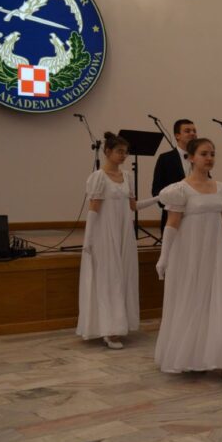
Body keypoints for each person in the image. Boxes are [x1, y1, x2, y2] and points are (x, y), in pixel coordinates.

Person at [154, 138, 222, 380]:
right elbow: (172, 224)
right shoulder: (179, 190)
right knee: (193, 299)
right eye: (204, 153)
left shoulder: (221, 187)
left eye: (212, 153)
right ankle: (193, 355)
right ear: (191, 157)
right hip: (190, 252)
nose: (209, 158)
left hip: (217, 250)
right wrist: (164, 257)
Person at [77, 132, 138, 349]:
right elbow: (93, 209)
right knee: (108, 278)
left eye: (125, 152)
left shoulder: (127, 177)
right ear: (107, 152)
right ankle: (109, 330)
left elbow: (133, 207)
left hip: (123, 234)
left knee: (122, 276)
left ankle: (120, 324)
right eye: (119, 151)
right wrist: (89, 239)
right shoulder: (98, 177)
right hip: (105, 234)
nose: (123, 156)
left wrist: (163, 197)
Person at [152, 119, 197, 234]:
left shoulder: (200, 158)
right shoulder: (165, 159)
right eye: (187, 131)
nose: (192, 133)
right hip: (173, 219)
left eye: (194, 131)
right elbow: (156, 190)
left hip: (197, 219)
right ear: (177, 136)